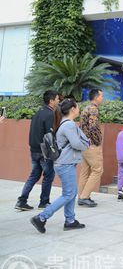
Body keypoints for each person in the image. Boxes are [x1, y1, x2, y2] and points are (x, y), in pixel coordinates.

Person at [30, 98, 90, 234]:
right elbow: (76, 143)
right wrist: (87, 144)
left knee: (71, 193)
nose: (79, 109)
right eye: (77, 107)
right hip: (65, 164)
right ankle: (41, 217)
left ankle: (70, 220)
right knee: (69, 194)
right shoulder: (69, 125)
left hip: (65, 163)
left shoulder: (65, 123)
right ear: (73, 109)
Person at [16, 90, 60, 211]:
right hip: (44, 151)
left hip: (34, 149)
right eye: (57, 98)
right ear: (51, 101)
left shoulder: (38, 112)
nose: (58, 101)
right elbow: (49, 135)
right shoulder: (50, 114)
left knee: (34, 175)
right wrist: (54, 151)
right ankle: (44, 202)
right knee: (48, 176)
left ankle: (21, 201)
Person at [78, 88, 104, 207]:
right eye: (101, 96)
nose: (102, 98)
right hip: (91, 145)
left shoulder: (86, 108)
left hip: (84, 144)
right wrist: (97, 141)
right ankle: (84, 197)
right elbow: (93, 128)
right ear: (96, 97)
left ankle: (81, 196)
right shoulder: (93, 109)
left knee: (85, 171)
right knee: (97, 170)